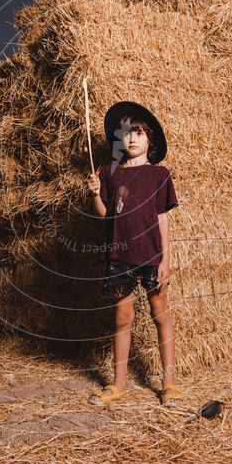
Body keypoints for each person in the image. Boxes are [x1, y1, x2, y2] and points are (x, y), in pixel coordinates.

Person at [86, 101, 182, 408]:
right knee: (122, 317)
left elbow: (163, 218)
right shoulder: (109, 173)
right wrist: (94, 194)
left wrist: (166, 260)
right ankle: (119, 384)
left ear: (149, 141)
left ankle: (169, 384)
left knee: (159, 314)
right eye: (127, 133)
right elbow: (104, 216)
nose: (132, 138)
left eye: (139, 133)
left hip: (151, 255)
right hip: (119, 256)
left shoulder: (159, 175)